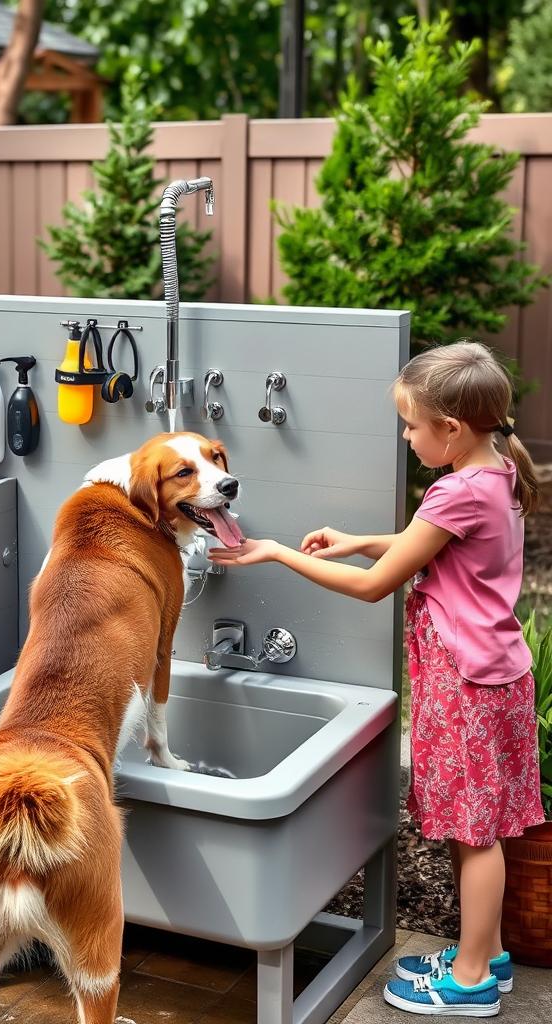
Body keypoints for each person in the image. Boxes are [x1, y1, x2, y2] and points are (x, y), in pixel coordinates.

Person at [210, 341, 544, 1017]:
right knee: (473, 827)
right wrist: (362, 539)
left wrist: (275, 552)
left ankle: (472, 981)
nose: (406, 434)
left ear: (451, 429)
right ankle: (489, 954)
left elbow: (374, 590)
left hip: (468, 686)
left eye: (413, 425)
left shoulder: (457, 489)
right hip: (492, 678)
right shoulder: (496, 469)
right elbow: (428, 545)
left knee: (475, 835)